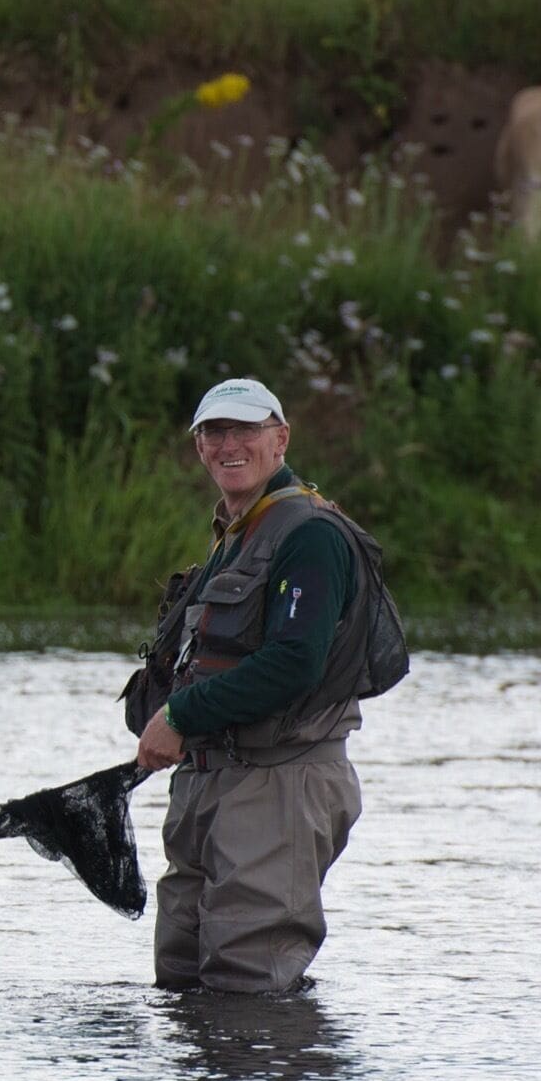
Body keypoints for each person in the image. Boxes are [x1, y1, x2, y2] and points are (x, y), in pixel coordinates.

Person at [133, 378, 388, 992]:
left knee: (248, 982)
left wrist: (179, 715)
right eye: (214, 432)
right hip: (213, 779)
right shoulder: (236, 533)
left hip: (282, 781)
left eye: (245, 430)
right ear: (198, 447)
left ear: (281, 439)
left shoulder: (310, 535)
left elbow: (293, 664)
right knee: (181, 975)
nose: (229, 445)